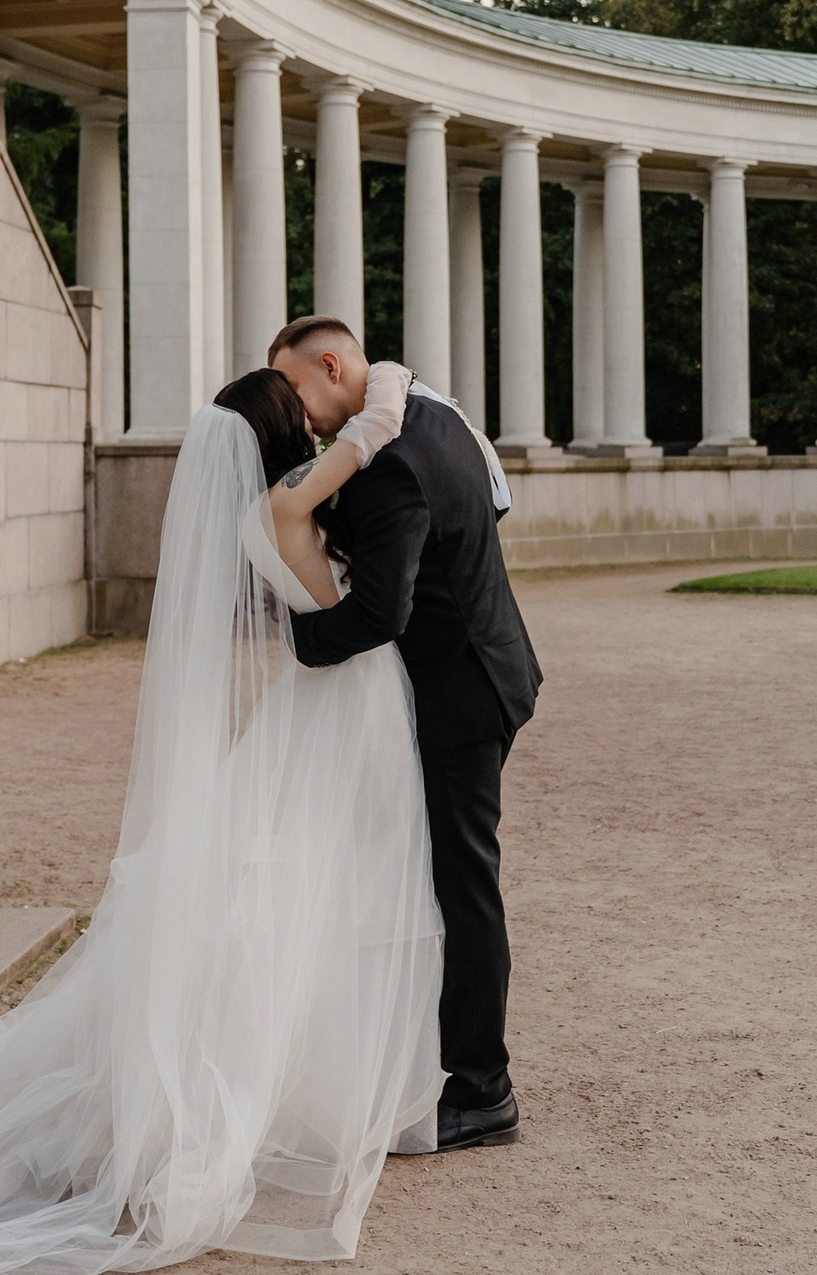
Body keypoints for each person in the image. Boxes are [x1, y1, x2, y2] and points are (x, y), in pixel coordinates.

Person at [0, 361, 442, 1271]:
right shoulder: (283, 503)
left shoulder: (267, 509)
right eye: (297, 415)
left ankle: (332, 1088)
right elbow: (362, 441)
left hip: (332, 706)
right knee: (327, 890)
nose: (313, 425)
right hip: (345, 712)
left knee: (322, 894)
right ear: (279, 432)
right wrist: (385, 395)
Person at [268, 315, 543, 1154]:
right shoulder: (425, 408)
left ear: (331, 363)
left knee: (463, 884)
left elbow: (382, 611)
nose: (300, 415)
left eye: (299, 392)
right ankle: (435, 1055)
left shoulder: (389, 466)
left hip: (463, 692)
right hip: (483, 666)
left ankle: (484, 1088)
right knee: (442, 874)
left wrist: (301, 640)